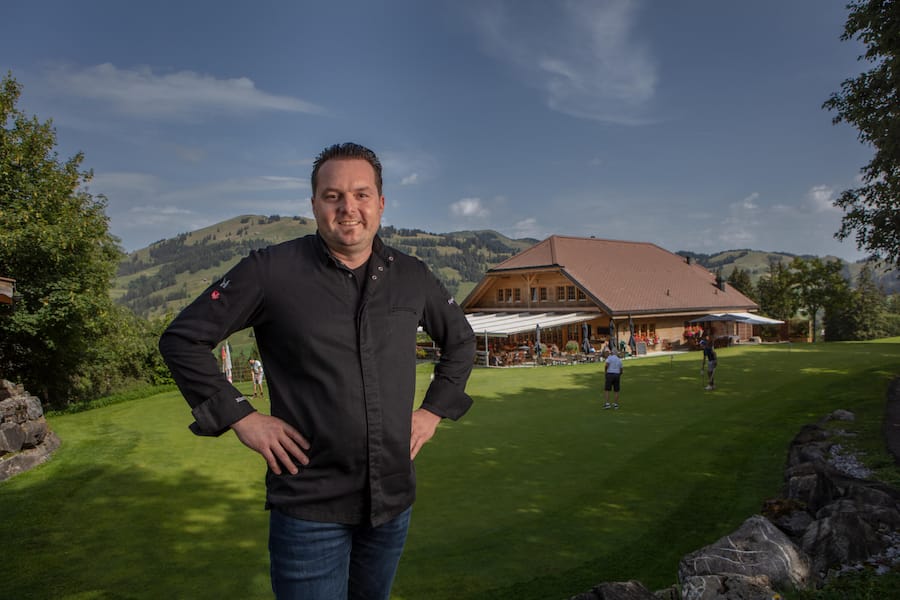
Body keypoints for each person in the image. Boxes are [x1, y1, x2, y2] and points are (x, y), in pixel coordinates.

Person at [158, 142, 476, 600]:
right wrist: (242, 417)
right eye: (333, 196)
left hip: (391, 502)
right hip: (309, 506)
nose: (349, 208)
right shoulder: (270, 272)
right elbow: (182, 340)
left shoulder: (412, 274)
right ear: (314, 204)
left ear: (381, 203)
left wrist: (432, 413)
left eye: (362, 195)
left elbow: (461, 340)